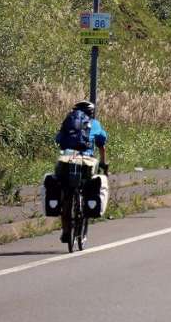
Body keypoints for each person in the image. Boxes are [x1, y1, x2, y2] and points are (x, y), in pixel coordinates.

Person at [55, 100, 108, 242]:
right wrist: (103, 164)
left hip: (67, 159)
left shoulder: (68, 122)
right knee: (88, 187)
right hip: (86, 162)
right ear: (91, 113)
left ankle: (66, 231)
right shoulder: (95, 124)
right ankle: (85, 208)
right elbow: (102, 144)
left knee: (65, 192)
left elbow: (58, 139)